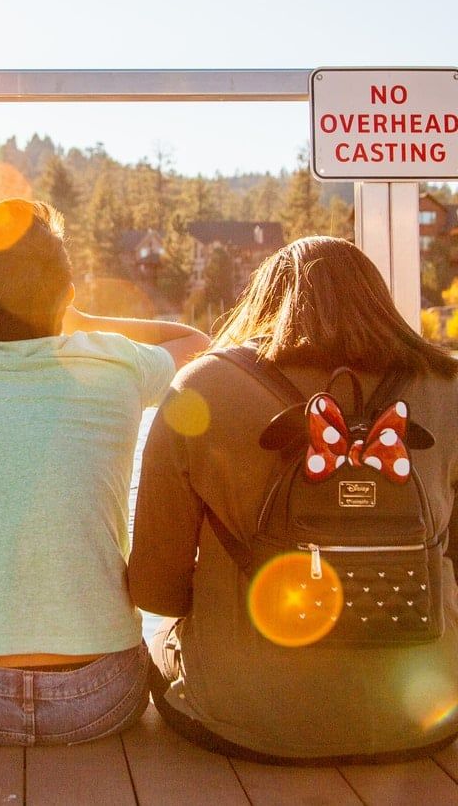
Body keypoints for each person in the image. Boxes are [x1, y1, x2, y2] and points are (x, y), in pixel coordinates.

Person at [0, 198, 208, 746]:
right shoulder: (116, 362)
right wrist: (75, 319)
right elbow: (196, 344)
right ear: (67, 293)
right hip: (99, 694)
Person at [129, 235, 458, 763]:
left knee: (159, 639)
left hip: (247, 718)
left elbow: (156, 591)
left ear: (265, 298)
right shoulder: (448, 386)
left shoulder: (201, 388)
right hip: (428, 716)